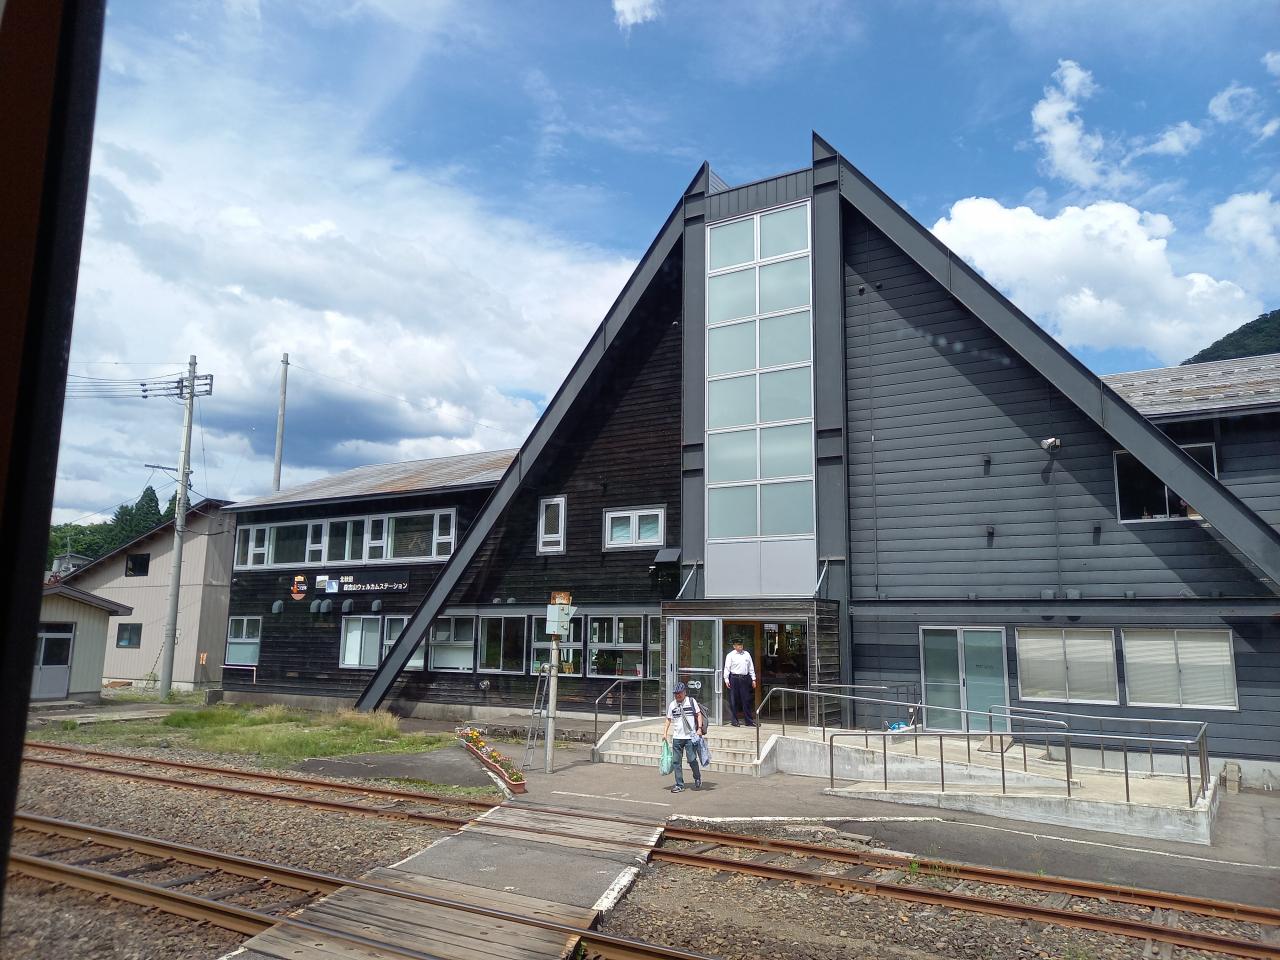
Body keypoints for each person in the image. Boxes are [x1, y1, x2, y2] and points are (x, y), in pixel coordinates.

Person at [662, 681, 703, 793]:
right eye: (676, 694)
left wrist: (699, 728)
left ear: (684, 692)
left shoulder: (691, 701)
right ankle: (679, 784)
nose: (677, 695)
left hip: (690, 737)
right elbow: (668, 719)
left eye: (679, 693)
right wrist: (665, 733)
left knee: (692, 759)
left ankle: (697, 777)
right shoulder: (672, 705)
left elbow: (698, 714)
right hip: (677, 737)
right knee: (676, 762)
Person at [723, 638, 757, 727]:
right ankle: (734, 721)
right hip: (734, 678)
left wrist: (753, 679)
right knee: (734, 700)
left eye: (741, 645)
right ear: (734, 646)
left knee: (746, 700)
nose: (740, 646)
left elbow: (751, 667)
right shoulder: (730, 655)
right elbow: (727, 668)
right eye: (738, 645)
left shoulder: (746, 654)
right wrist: (726, 679)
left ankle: (749, 721)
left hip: (744, 678)